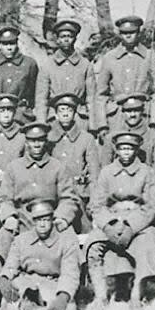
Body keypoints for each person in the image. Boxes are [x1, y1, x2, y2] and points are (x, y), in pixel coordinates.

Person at [86, 132, 155, 307]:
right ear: (116, 150)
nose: (126, 153)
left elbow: (152, 206)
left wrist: (131, 226)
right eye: (122, 149)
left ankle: (137, 294)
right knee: (93, 244)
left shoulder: (146, 172)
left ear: (136, 150)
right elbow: (97, 205)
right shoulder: (107, 172)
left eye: (130, 149)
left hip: (139, 222)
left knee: (147, 243)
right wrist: (108, 225)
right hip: (112, 220)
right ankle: (101, 295)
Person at [0, 122, 79, 259]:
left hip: (50, 217)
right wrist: (9, 216)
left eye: (40, 140)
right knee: (3, 238)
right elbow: (4, 198)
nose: (37, 145)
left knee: (69, 238)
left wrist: (62, 217)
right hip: (23, 218)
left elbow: (68, 197)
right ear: (26, 142)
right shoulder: (14, 167)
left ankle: (76, 276)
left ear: (45, 141)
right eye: (32, 141)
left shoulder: (57, 167)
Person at [0, 199, 80, 310]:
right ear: (33, 221)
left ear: (52, 219)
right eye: (38, 220)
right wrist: (4, 279)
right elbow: (11, 265)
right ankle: (26, 308)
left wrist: (64, 295)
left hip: (52, 284)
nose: (42, 224)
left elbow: (70, 273)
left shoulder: (66, 241)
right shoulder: (21, 240)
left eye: (46, 220)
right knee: (9, 305)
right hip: (26, 281)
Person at [35, 19, 105, 133]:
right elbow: (41, 99)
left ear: (75, 39)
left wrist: (93, 126)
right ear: (57, 39)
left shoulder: (85, 64)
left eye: (70, 36)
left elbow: (91, 98)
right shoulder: (47, 65)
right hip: (54, 119)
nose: (66, 39)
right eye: (62, 36)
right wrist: (42, 124)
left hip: (79, 118)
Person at [96, 15, 155, 131]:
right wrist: (102, 124)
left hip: (143, 116)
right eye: (124, 33)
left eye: (132, 32)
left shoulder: (150, 56)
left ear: (138, 32)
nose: (128, 36)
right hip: (117, 117)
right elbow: (101, 95)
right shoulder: (109, 58)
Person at [106, 93, 155, 218]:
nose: (132, 115)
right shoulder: (111, 138)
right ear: (122, 112)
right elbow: (104, 174)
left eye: (136, 110)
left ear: (143, 111)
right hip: (117, 204)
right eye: (128, 111)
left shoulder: (154, 137)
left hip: (144, 203)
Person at [47, 93, 102, 234]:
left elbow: (95, 175)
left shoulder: (86, 139)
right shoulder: (48, 139)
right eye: (61, 110)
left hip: (80, 196)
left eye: (69, 110)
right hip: (55, 197)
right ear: (56, 114)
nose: (65, 114)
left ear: (75, 112)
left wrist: (94, 204)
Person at [0, 25, 38, 123]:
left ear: (17, 43)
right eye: (5, 44)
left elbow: (34, 93)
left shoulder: (29, 64)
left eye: (12, 44)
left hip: (21, 114)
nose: (9, 48)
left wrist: (25, 109)